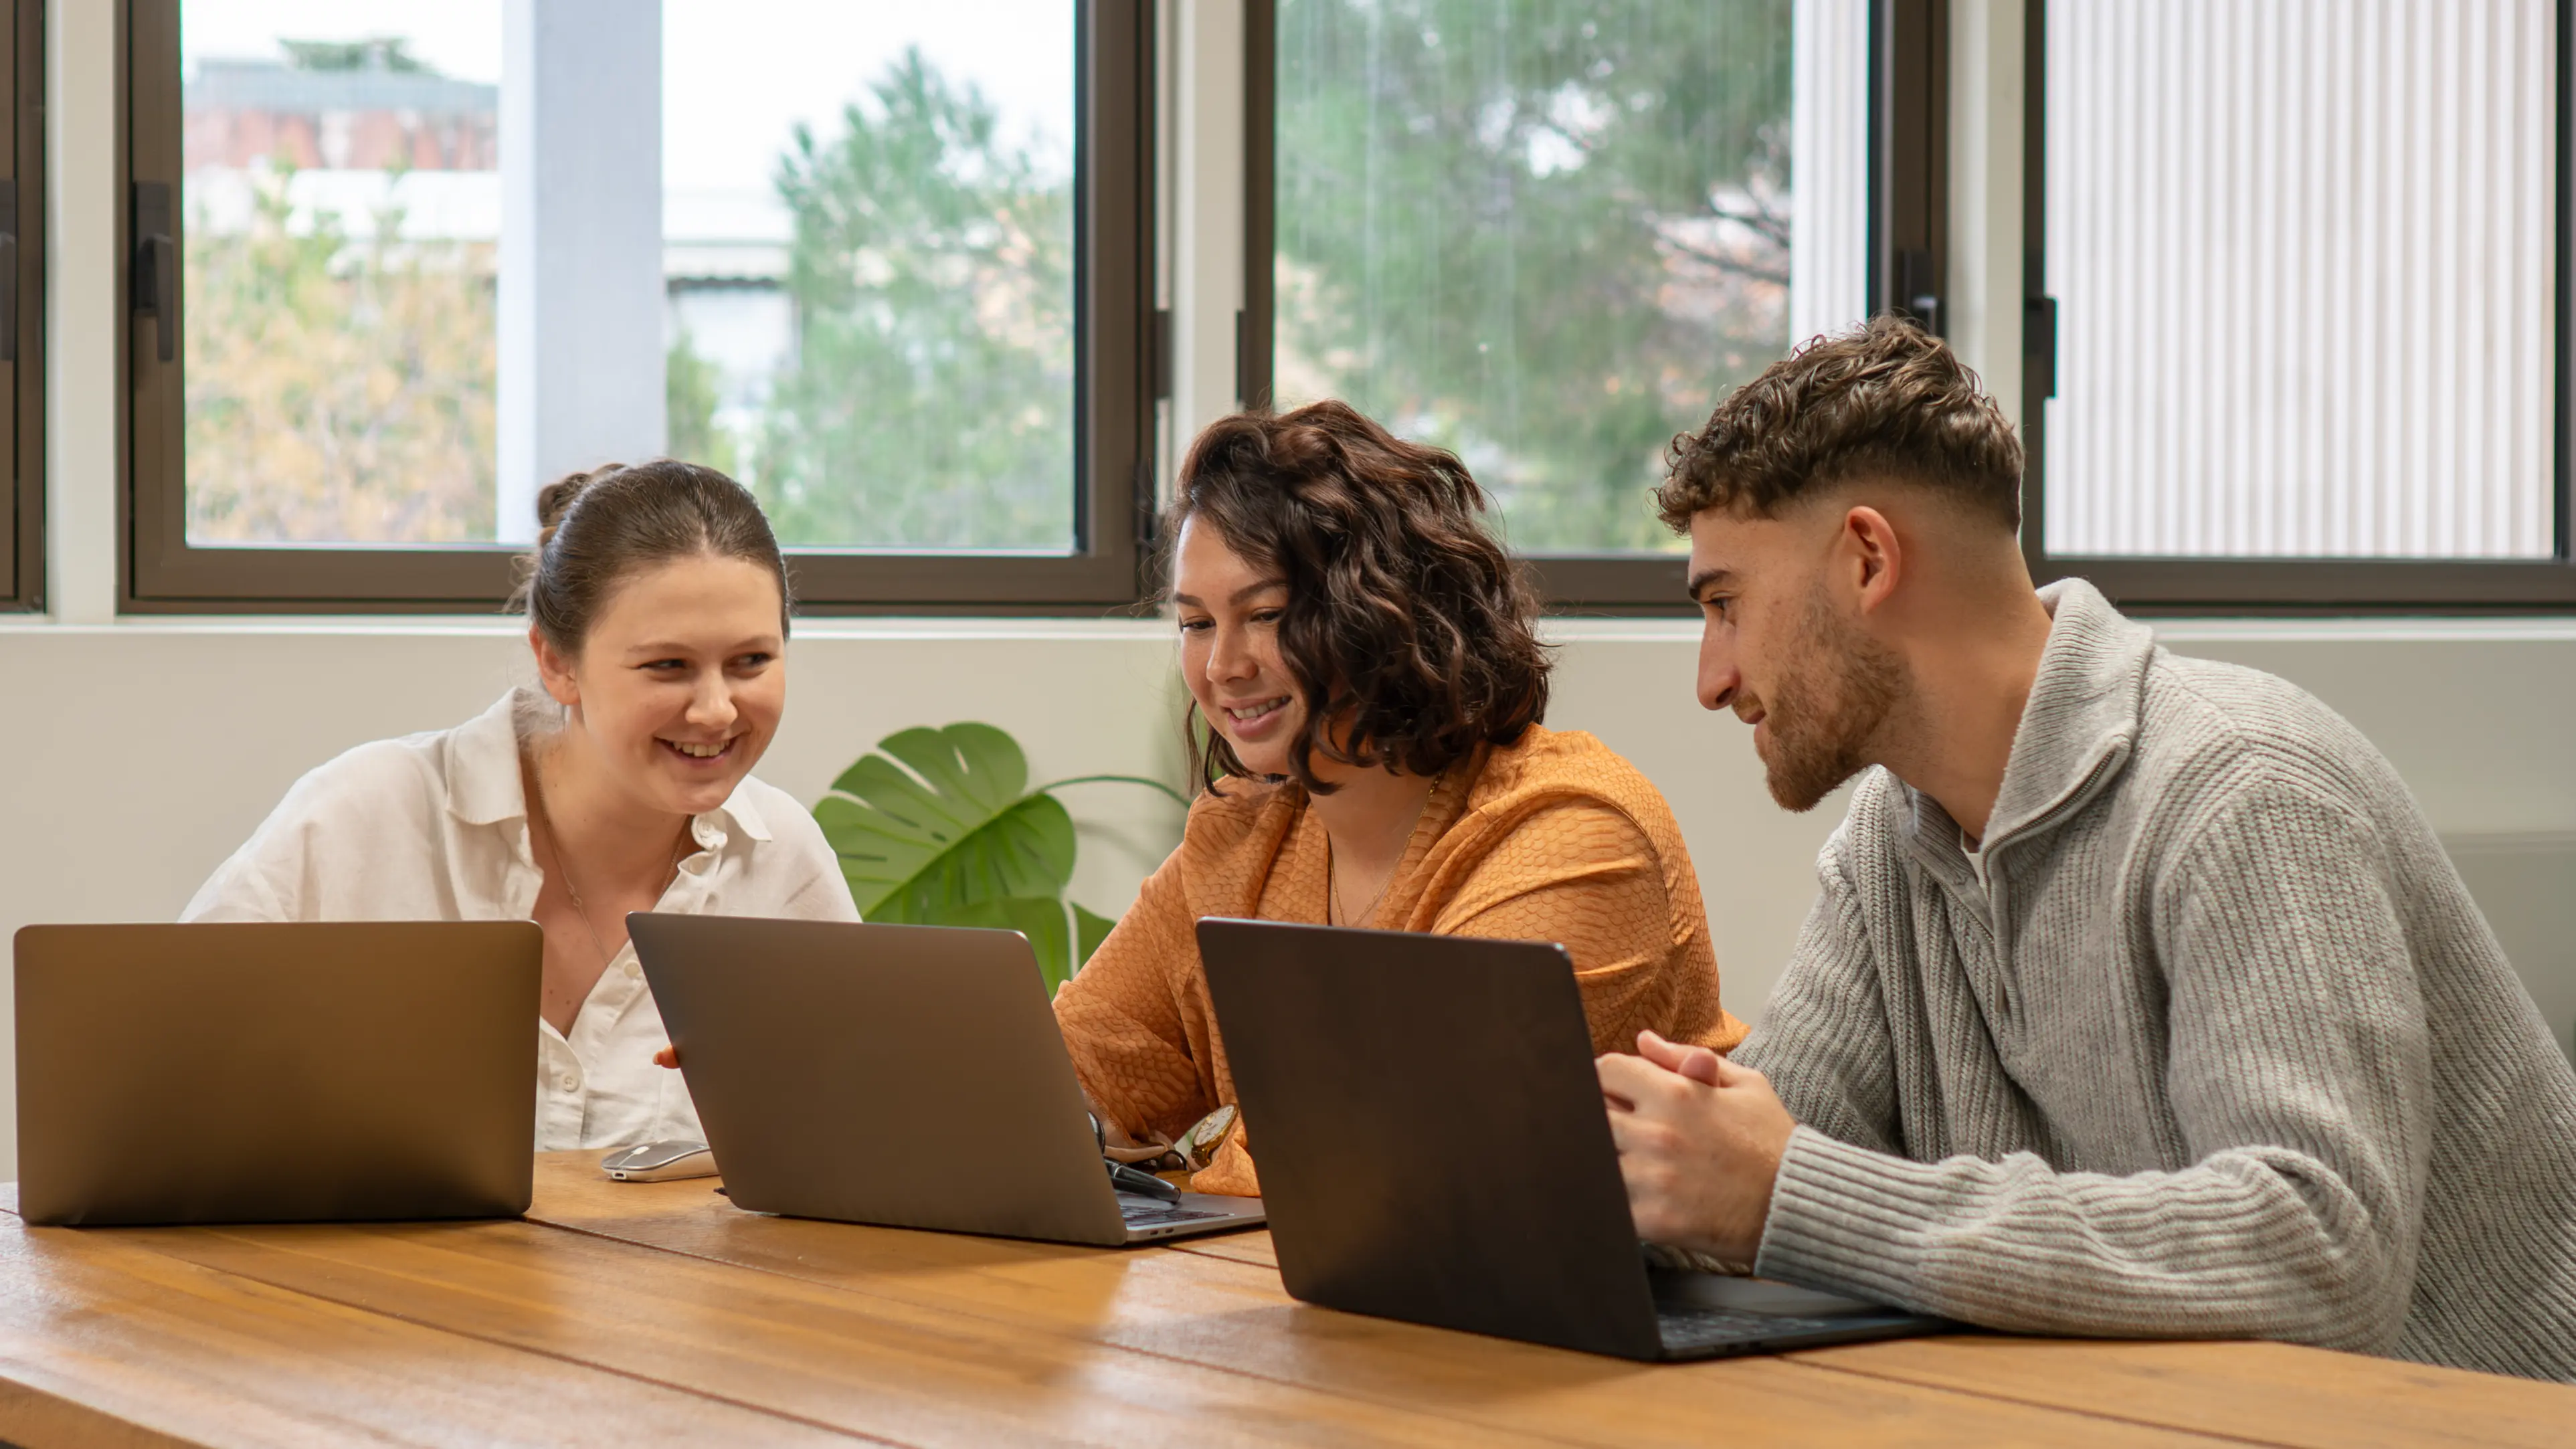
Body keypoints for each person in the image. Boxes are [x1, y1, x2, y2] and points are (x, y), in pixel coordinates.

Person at [1597, 316, 2576, 1381]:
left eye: (1726, 604)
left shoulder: (2246, 790)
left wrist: (1792, 1195)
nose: (1711, 679)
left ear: (1867, 559)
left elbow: (2318, 1255)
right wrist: (1625, 1173)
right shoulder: (1892, 836)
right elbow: (1763, 1167)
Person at [1055, 401, 1745, 1196]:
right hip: (1290, 1273)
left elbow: (1385, 1158)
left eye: (1265, 615)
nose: (1222, 667)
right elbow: (1061, 1076)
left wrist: (1168, 1167)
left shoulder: (1574, 834)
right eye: (1196, 623)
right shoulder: (1240, 837)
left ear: (1383, 610)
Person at [185, 460, 857, 1151]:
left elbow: (856, 1140)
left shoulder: (782, 861)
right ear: (557, 662)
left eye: (751, 662)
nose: (716, 710)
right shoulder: (361, 817)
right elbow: (171, 1073)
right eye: (667, 666)